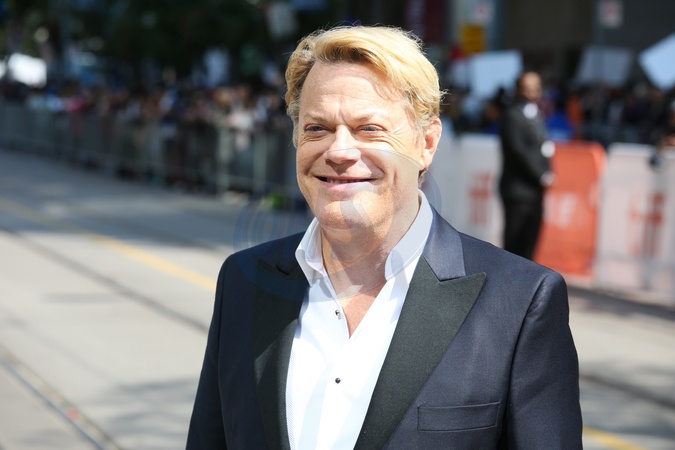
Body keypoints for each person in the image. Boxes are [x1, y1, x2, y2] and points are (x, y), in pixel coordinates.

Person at [187, 26, 582, 449]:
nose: (339, 151)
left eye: (369, 129)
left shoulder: (519, 303)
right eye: (317, 128)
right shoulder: (243, 281)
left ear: (426, 143)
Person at [498, 71, 556, 260]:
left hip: (534, 191)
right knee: (514, 243)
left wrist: (547, 172)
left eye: (536, 87)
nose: (533, 92)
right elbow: (519, 150)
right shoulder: (512, 115)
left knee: (530, 243)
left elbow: (541, 146)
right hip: (517, 190)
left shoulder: (536, 114)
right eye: (528, 88)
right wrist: (541, 174)